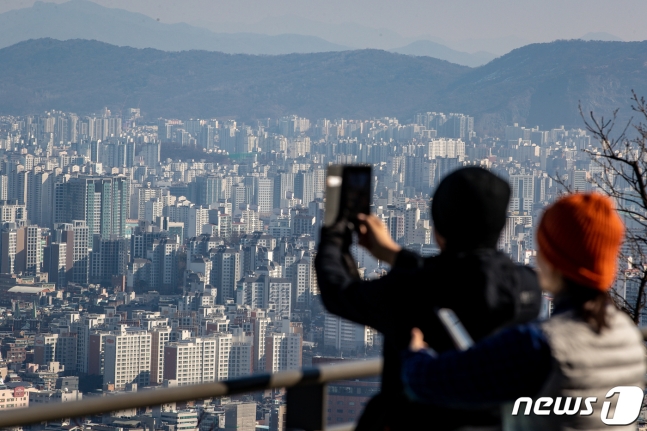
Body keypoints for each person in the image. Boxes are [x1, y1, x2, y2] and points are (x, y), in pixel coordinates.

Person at [315, 167, 542, 431]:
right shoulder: (528, 288)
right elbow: (463, 278)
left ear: (438, 228)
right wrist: (396, 255)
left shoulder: (411, 291)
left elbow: (338, 293)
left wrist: (334, 236)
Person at [402, 192, 646, 431]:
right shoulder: (629, 338)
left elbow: (426, 381)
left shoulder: (537, 346)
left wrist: (416, 353)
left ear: (554, 261)